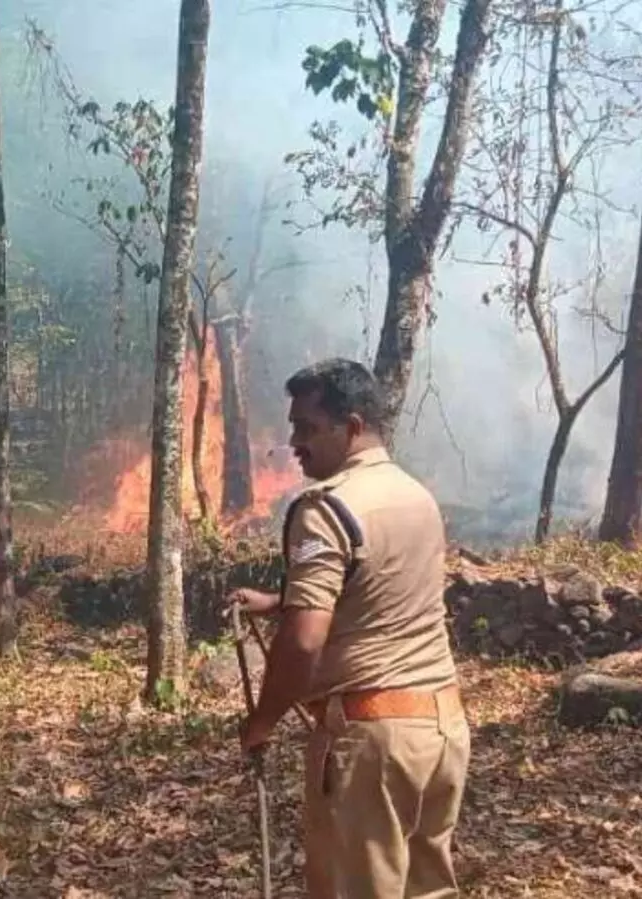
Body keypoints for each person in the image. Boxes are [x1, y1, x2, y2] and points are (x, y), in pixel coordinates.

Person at [227, 358, 469, 899]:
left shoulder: (326, 508)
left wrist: (262, 721)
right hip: (442, 732)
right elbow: (378, 588)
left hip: (372, 743)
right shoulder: (417, 497)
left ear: (353, 426)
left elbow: (304, 640)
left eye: (308, 428)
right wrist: (279, 601)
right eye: (294, 427)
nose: (295, 443)